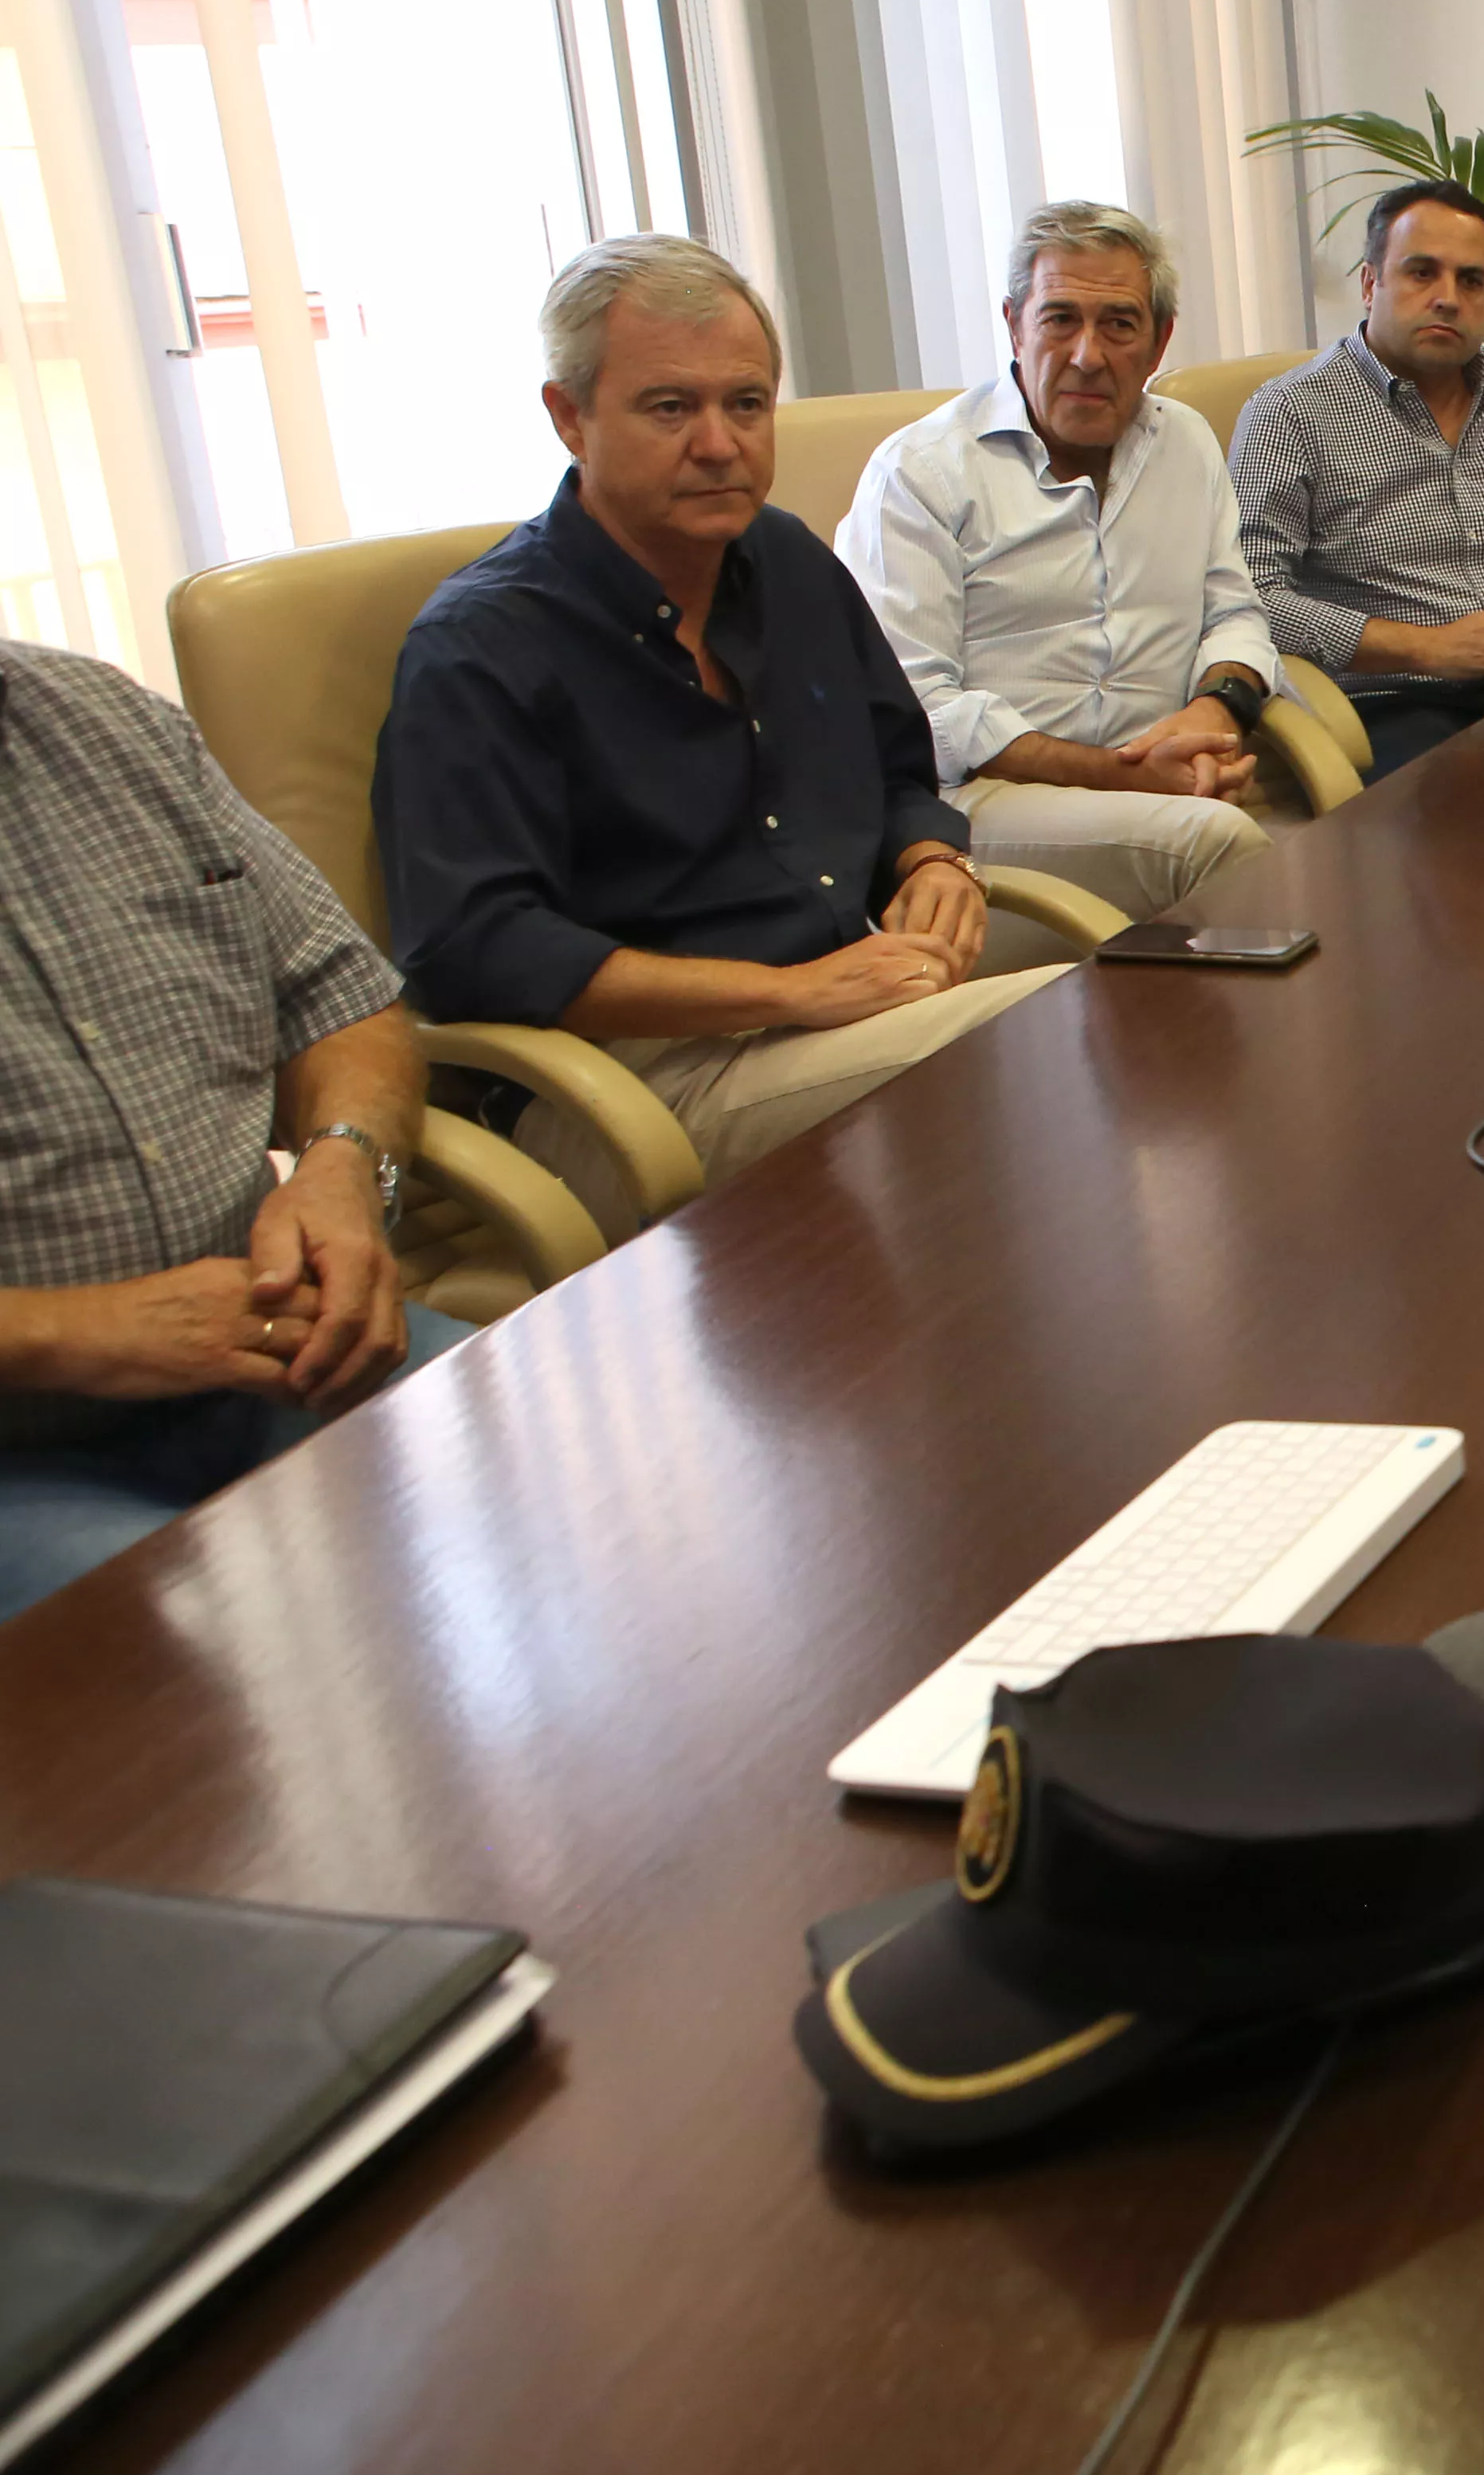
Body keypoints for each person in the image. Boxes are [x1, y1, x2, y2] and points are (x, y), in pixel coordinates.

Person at [379, 235, 1065, 1236]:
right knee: (1051, 1038)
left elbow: (894, 765)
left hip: (838, 1006)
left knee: (1112, 1028)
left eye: (745, 404)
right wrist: (786, 993)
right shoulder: (481, 647)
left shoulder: (781, 558)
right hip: (624, 1085)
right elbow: (477, 949)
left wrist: (930, 860)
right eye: (670, 407)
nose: (719, 443)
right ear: (568, 418)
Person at [0, 642, 465, 1617]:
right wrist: (73, 1334)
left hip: (272, 1345)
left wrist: (340, 1166)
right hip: (26, 1451)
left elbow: (340, 998)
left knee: (577, 1500)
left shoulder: (105, 722)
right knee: (229, 1657)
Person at [840, 202, 1278, 922]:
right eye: (1059, 320)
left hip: (1172, 784)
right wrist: (1117, 776)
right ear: (1014, 324)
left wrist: (1216, 707)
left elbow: (1235, 611)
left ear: (1160, 340)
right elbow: (921, 710)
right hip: (988, 803)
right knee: (1221, 843)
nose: (1087, 355)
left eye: (1119, 325)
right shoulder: (921, 473)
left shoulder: (1187, 442)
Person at [1233, 178, 1484, 774]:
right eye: (1422, 273)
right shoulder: (1290, 412)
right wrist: (1432, 647)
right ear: (1372, 283)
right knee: (1478, 820)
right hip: (1391, 704)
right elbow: (1251, 598)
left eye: (1471, 281)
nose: (1448, 298)